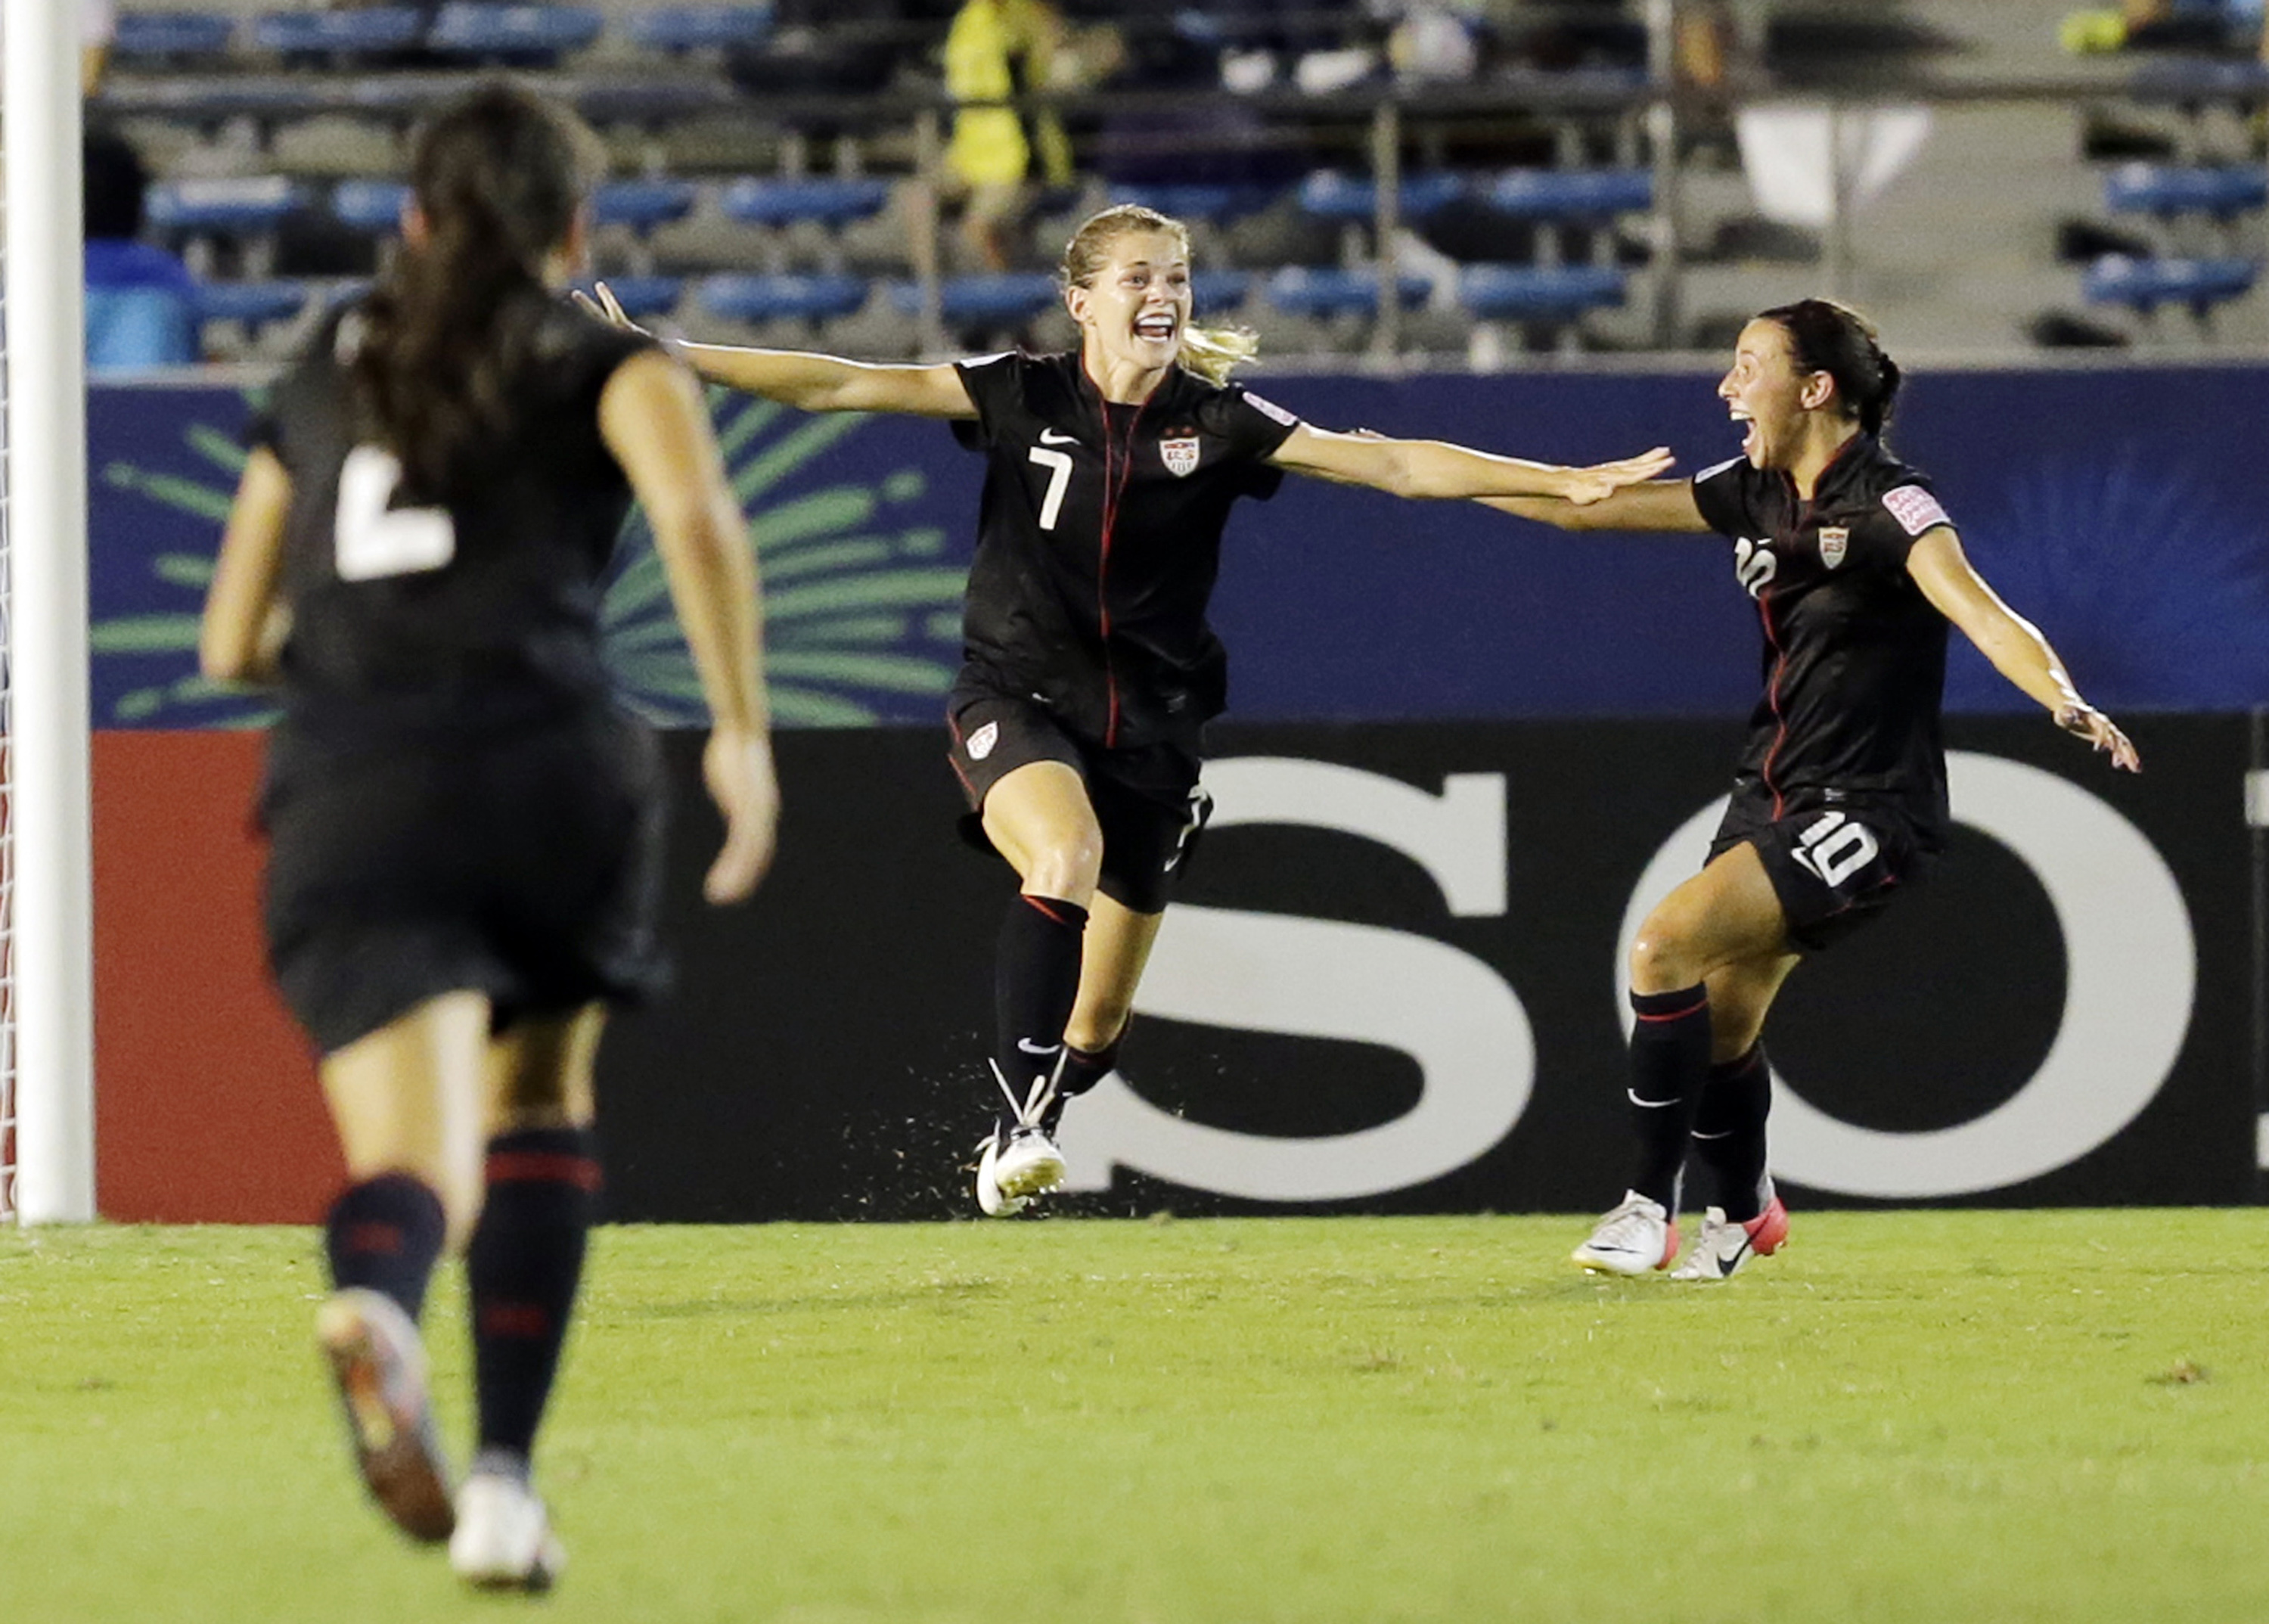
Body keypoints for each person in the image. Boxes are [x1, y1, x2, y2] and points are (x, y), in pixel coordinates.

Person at [583, 201, 1670, 1219]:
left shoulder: (1222, 420)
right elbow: (839, 384)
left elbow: (1389, 463)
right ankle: (1014, 1132)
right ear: (1083, 301)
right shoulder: (1021, 392)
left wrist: (1552, 476)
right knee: (1061, 857)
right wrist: (673, 357)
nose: (1165, 293)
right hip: (1013, 694)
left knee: (1096, 1029)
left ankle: (1053, 1093)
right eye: (1141, 276)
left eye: (1179, 276)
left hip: (1151, 729)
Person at [199, 85, 778, 1589]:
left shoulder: (328, 360)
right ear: (574, 227)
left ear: (416, 218)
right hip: (547, 769)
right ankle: (509, 1488)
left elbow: (226, 639)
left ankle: (380, 1305)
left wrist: (356, 654)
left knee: (415, 1163)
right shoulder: (609, 356)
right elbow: (702, 524)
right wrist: (740, 735)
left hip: (352, 786)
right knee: (538, 1108)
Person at [1478, 298, 2139, 1281]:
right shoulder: (1756, 490)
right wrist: (1444, 480)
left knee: (1663, 946)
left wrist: (2062, 696)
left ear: (1816, 389)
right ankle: (1745, 1211)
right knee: (1725, 1014)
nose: (1727, 388)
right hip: (1773, 790)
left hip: (1868, 806)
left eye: (1749, 367)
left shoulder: (1890, 504)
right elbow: (1590, 510)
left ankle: (1643, 1209)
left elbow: (1984, 612)